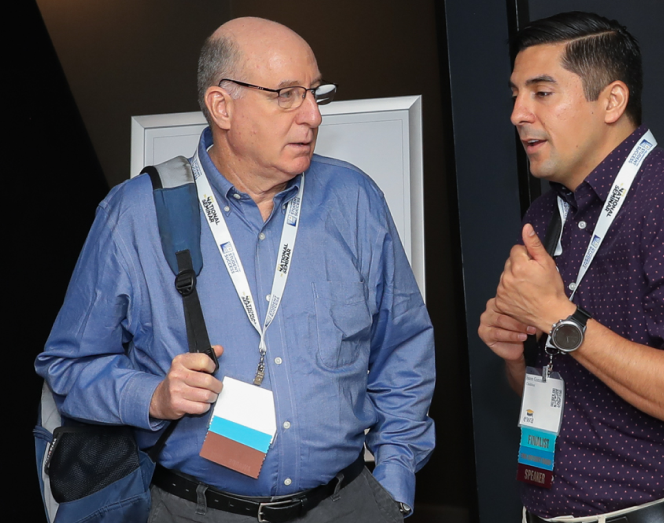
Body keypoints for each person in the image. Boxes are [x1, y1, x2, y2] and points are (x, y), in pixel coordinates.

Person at [36, 17, 435, 523]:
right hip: (194, 509)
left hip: (349, 505)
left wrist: (393, 484)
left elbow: (404, 348)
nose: (312, 115)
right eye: (287, 94)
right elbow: (69, 367)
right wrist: (153, 397)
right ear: (222, 106)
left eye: (316, 93)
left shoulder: (354, 200)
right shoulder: (134, 215)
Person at [479, 11, 664, 523]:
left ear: (612, 101)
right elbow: (557, 385)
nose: (517, 112)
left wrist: (560, 318)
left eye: (541, 92)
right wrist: (515, 354)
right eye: (515, 93)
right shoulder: (546, 212)